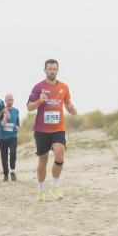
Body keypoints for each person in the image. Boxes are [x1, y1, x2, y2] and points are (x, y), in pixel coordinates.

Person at [27, 59, 77, 202]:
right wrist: (39, 102)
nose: (52, 71)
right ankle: (41, 189)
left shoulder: (64, 87)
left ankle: (54, 186)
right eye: (50, 69)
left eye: (54, 69)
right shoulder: (38, 87)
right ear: (45, 70)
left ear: (57, 70)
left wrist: (72, 109)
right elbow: (29, 107)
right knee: (43, 160)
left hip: (58, 128)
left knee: (60, 154)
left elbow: (67, 104)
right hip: (41, 130)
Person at [0, 93, 20, 182]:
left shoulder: (16, 111)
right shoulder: (1, 111)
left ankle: (12, 171)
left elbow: (18, 122)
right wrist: (5, 117)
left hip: (12, 136)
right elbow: (1, 124)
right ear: (5, 101)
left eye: (11, 100)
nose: (9, 101)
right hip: (2, 137)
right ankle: (6, 175)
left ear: (13, 101)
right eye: (8, 100)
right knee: (4, 157)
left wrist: (18, 127)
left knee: (13, 152)